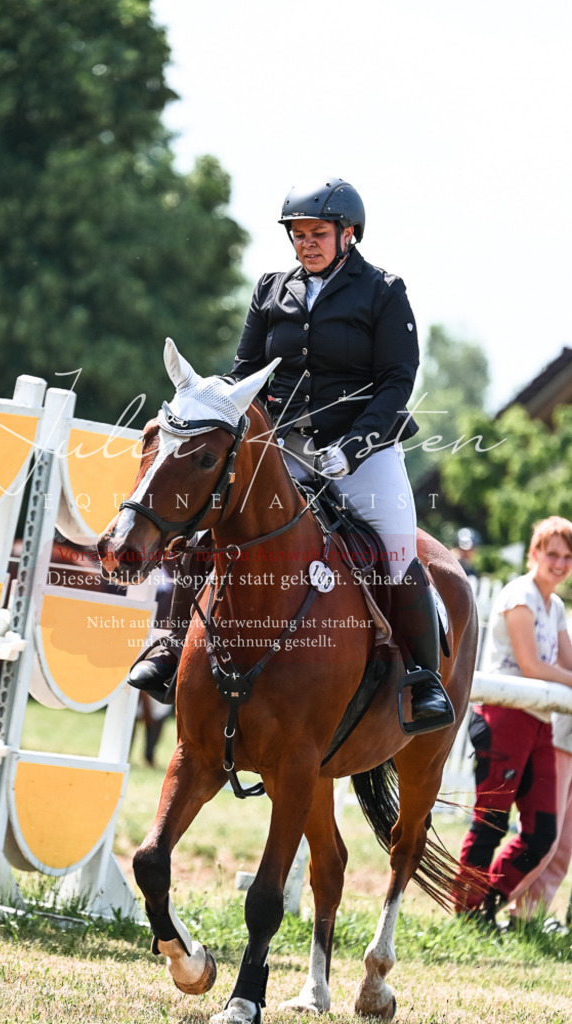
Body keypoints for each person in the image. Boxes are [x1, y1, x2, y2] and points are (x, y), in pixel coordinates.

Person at [130, 176, 453, 730]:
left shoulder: (383, 291)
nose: (306, 243)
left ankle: (423, 680)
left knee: (398, 551)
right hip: (280, 448)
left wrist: (355, 446)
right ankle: (170, 647)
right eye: (298, 235)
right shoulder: (271, 289)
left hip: (363, 450)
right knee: (205, 527)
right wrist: (207, 403)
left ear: (348, 234)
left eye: (317, 233)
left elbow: (398, 380)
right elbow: (243, 374)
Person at [454, 516, 572, 927]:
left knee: (541, 833)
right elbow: (531, 665)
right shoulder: (518, 593)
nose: (559, 563)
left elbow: (566, 664)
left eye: (566, 556)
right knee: (491, 821)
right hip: (504, 716)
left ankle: (488, 901)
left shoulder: (555, 606)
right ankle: (467, 912)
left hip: (539, 723)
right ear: (534, 553)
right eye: (551, 553)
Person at [506, 708, 572, 930]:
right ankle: (485, 907)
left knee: (564, 847)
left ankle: (526, 918)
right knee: (546, 841)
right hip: (561, 737)